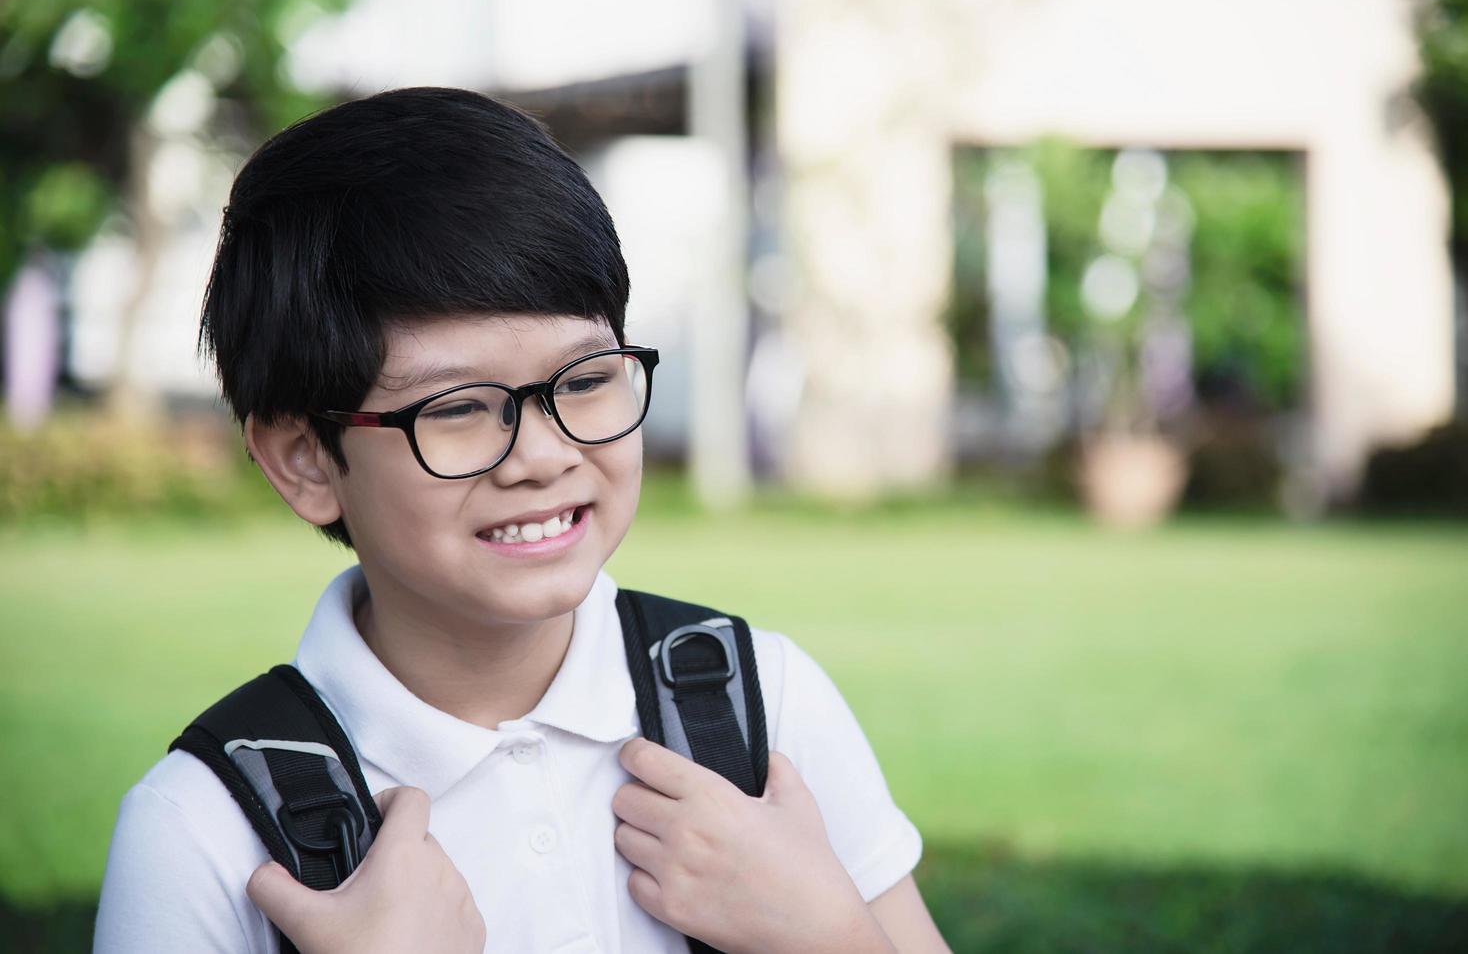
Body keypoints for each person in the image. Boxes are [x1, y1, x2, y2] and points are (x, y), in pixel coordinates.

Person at [93, 86, 950, 954]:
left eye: (583, 382)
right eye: (460, 407)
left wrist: (828, 933)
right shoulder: (206, 830)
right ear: (305, 460)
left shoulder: (761, 710)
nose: (541, 454)